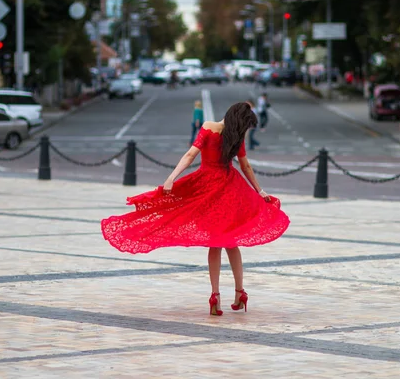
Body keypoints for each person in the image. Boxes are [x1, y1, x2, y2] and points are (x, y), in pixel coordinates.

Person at [101, 102, 290, 316]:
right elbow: (245, 166)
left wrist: (172, 178)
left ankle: (215, 296)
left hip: (206, 187)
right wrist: (260, 190)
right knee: (231, 242)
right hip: (230, 189)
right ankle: (240, 293)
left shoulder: (209, 128)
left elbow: (190, 155)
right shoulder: (235, 137)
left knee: (213, 242)